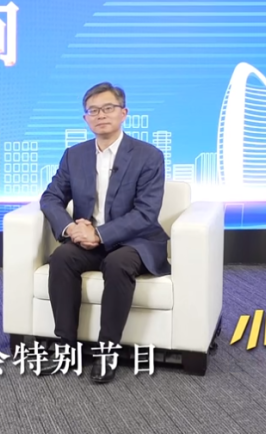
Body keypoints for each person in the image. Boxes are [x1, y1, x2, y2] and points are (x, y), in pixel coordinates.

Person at [40, 82, 170, 384]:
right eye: (93, 111)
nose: (100, 115)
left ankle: (107, 350)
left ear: (124, 113)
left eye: (108, 108)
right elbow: (50, 198)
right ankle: (66, 349)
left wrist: (99, 234)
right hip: (87, 239)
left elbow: (146, 213)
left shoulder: (148, 156)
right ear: (85, 119)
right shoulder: (74, 155)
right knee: (61, 258)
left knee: (118, 263)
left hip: (136, 240)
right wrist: (71, 228)